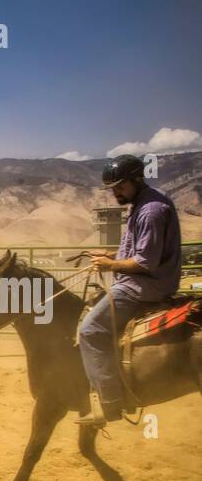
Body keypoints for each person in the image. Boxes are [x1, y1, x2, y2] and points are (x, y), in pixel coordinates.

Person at [75, 154, 182, 426]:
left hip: (143, 287)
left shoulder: (150, 211)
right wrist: (112, 253)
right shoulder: (142, 203)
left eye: (120, 186)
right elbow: (139, 249)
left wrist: (111, 265)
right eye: (112, 188)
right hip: (142, 281)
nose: (115, 193)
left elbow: (145, 262)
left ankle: (109, 403)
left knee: (90, 330)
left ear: (136, 179)